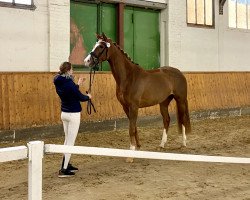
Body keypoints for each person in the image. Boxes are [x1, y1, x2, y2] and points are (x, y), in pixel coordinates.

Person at [54, 61, 92, 178]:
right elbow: (79, 96)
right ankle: (64, 169)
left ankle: (66, 164)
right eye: (72, 69)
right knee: (70, 143)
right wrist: (88, 97)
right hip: (73, 115)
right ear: (68, 70)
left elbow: (71, 91)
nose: (73, 71)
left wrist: (78, 84)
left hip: (64, 113)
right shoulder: (69, 83)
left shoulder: (58, 80)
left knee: (67, 140)